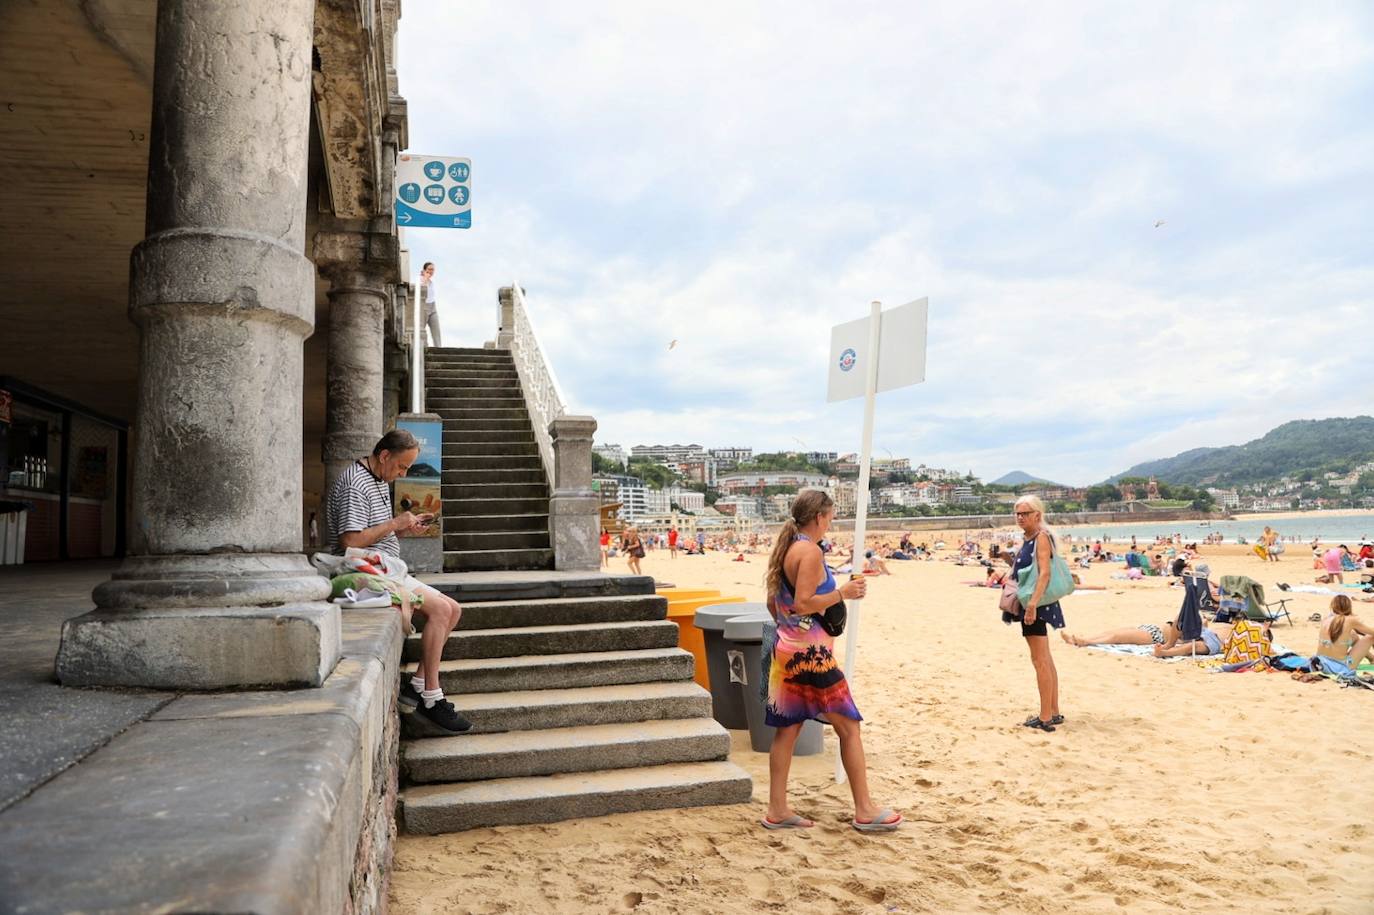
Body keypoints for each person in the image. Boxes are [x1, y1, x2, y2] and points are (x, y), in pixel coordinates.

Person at [761, 489, 902, 833]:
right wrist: (843, 593)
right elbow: (803, 603)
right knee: (849, 727)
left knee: (787, 730)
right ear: (820, 517)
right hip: (812, 657)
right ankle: (865, 809)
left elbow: (774, 604)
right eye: (831, 516)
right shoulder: (808, 551)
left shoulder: (788, 549)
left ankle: (777, 808)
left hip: (788, 651)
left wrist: (793, 629)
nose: (831, 522)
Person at [326, 430, 468, 734]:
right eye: (401, 467)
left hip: (386, 567)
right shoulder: (355, 484)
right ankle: (431, 695)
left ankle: (418, 684)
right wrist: (395, 523)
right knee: (442, 612)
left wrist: (403, 529)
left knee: (453, 609)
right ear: (385, 455)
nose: (401, 474)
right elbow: (351, 541)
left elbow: (372, 532)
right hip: (364, 571)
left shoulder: (376, 478)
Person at [1004, 496, 1063, 732]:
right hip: (1035, 603)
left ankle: (1045, 716)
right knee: (1045, 659)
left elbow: (1045, 574)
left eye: (1025, 513)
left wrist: (1032, 605)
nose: (1020, 517)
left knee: (1039, 661)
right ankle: (1054, 711)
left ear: (1037, 515)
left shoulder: (1040, 537)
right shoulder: (1030, 538)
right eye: (1018, 513)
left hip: (1036, 605)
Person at [1060, 619, 1228, 656]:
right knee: (1114, 631)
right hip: (1152, 628)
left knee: (1116, 636)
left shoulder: (1209, 642)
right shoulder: (1209, 634)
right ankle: (1084, 639)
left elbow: (1190, 647)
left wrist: (1167, 650)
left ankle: (1085, 641)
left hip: (1155, 636)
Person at [1317, 595, 1374, 667]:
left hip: (1321, 664)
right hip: (1339, 667)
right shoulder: (1350, 620)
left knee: (1353, 635)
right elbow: (1371, 632)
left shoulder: (1326, 619)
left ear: (1332, 607)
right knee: (1371, 637)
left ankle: (1372, 658)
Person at [418, 261, 441, 347]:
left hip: (432, 306)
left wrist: (428, 279)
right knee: (421, 330)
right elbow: (421, 291)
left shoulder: (432, 282)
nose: (431, 271)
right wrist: (425, 278)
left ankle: (439, 349)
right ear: (424, 270)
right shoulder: (419, 280)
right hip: (423, 307)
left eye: (433, 270)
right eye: (429, 269)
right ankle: (424, 348)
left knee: (436, 330)